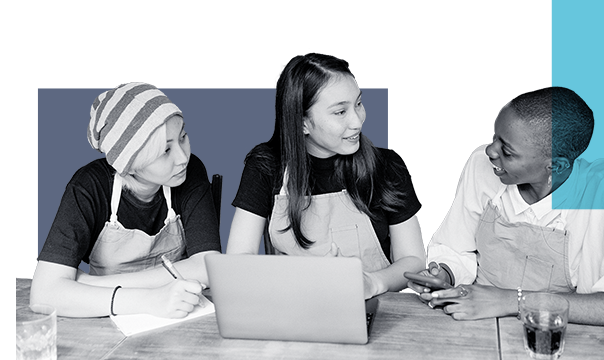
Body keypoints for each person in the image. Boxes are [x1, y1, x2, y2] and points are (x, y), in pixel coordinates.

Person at [407, 87, 604, 331]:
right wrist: (445, 273)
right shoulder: (481, 165)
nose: (490, 151)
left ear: (555, 166)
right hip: (474, 325)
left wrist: (513, 302)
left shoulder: (602, 187)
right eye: (494, 138)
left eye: (507, 152)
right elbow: (456, 246)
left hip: (556, 336)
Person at [226, 53, 425, 299]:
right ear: (302, 123)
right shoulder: (265, 167)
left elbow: (413, 259)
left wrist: (372, 283)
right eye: (340, 112)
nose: (357, 121)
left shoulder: (387, 165)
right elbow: (238, 258)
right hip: (292, 308)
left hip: (376, 306)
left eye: (359, 104)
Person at [32, 83, 221, 318]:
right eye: (165, 151)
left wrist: (94, 284)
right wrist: (150, 300)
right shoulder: (89, 186)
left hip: (179, 313)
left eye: (183, 137)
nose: (183, 157)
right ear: (129, 163)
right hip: (103, 316)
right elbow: (43, 294)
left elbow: (208, 266)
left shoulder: (190, 172)